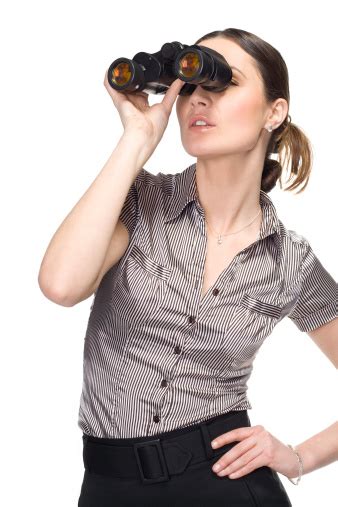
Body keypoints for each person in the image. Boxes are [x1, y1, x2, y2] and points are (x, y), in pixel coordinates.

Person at [38, 28, 338, 506]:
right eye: (191, 87)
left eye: (222, 83)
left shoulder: (291, 262)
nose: (199, 100)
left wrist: (299, 457)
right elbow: (60, 285)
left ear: (274, 111)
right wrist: (137, 141)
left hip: (227, 484)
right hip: (108, 486)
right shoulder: (138, 203)